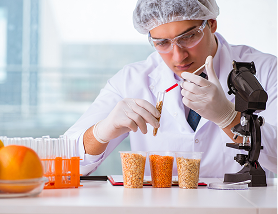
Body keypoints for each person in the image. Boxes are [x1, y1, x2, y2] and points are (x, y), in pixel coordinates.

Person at [65, 0, 278, 178]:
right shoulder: (130, 81)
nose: (178, 56)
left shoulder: (266, 70)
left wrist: (229, 118)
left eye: (189, 37)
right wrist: (104, 130)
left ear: (211, 24)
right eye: (162, 43)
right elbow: (66, 162)